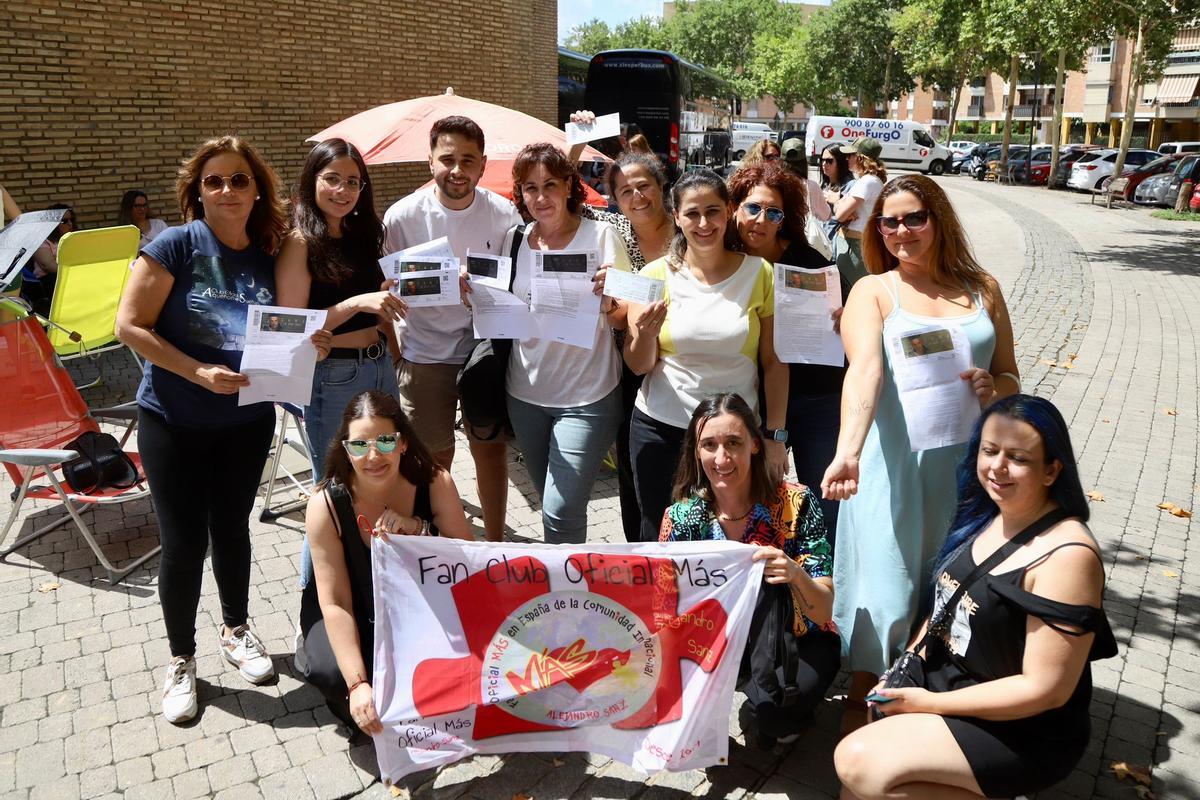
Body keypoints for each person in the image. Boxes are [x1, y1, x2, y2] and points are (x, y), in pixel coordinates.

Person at [115, 135, 330, 724]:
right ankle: (181, 659)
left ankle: (237, 630)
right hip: (173, 419)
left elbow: (285, 327)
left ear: (256, 188)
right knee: (184, 544)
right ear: (197, 192)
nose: (228, 190)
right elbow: (129, 326)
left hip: (245, 421)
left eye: (239, 179)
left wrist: (307, 343)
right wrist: (197, 371)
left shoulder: (269, 253)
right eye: (214, 181)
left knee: (233, 530)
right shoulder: (176, 245)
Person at [835, 394, 1116, 800]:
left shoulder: (1066, 558)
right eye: (989, 450)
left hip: (1022, 728)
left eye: (1018, 457)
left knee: (859, 763)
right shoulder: (988, 513)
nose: (997, 467)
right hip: (952, 690)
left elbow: (1046, 689)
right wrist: (905, 665)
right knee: (857, 789)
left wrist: (927, 704)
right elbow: (942, 609)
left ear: (1053, 470)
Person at [821, 174, 1020, 733]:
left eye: (914, 218)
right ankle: (862, 745)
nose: (900, 231)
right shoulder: (873, 292)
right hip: (890, 475)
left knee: (946, 606)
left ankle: (930, 726)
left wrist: (995, 390)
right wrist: (848, 453)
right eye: (888, 222)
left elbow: (1011, 375)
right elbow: (864, 372)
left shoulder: (983, 289)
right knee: (886, 606)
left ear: (938, 220)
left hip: (966, 476)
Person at [659, 393, 838, 747]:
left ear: (755, 445)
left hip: (798, 638)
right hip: (720, 640)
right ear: (696, 452)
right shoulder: (680, 518)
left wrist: (794, 573)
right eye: (709, 445)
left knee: (774, 719)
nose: (721, 458)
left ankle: (773, 706)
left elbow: (825, 608)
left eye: (733, 443)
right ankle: (738, 687)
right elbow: (664, 610)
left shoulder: (796, 503)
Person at [624, 169, 788, 542]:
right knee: (659, 538)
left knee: (734, 537)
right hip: (661, 429)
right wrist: (645, 336)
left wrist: (775, 435)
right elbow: (637, 364)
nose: (703, 223)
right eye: (692, 213)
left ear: (729, 211)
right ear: (676, 216)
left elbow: (775, 362)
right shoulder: (652, 274)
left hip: (732, 437)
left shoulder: (759, 273)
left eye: (712, 211)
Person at [297, 390, 472, 734]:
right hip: (353, 606)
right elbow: (336, 602)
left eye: (386, 442)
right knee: (338, 678)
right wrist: (358, 683)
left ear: (404, 443)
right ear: (345, 450)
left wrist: (419, 529)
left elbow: (467, 562)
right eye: (360, 445)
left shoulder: (435, 481)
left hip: (417, 605)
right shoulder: (325, 504)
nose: (374, 456)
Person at [384, 116, 522, 543]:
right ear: (430, 161)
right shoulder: (402, 215)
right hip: (424, 354)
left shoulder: (503, 214)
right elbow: (385, 287)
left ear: (483, 165)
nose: (457, 170)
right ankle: (442, 542)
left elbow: (517, 281)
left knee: (489, 451)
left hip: (484, 349)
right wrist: (396, 353)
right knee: (431, 458)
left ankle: (495, 545)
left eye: (468, 160)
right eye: (447, 159)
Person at [504, 142, 631, 544]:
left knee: (562, 510)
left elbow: (627, 313)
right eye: (530, 188)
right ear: (520, 194)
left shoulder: (600, 236)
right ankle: (561, 590)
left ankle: (568, 598)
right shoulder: (516, 240)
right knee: (549, 502)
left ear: (568, 187)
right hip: (524, 394)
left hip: (587, 395)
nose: (541, 197)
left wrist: (611, 300)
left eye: (550, 185)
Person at [277, 138, 406, 486]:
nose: (342, 190)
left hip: (379, 365)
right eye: (332, 178)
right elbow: (290, 326)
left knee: (380, 476)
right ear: (312, 180)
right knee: (336, 485)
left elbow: (375, 305)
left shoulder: (361, 234)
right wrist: (357, 302)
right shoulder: (300, 242)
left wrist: (394, 351)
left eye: (352, 182)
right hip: (334, 373)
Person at [728, 162, 845, 544]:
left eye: (773, 212)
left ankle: (825, 589)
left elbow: (853, 315)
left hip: (818, 398)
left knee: (826, 503)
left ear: (785, 218)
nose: (761, 219)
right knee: (753, 504)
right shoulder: (725, 259)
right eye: (752, 207)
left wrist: (846, 319)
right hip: (754, 399)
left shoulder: (810, 263)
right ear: (734, 208)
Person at [582, 149, 675, 542]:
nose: (636, 197)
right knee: (636, 472)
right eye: (625, 191)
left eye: (644, 186)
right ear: (614, 200)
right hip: (633, 365)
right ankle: (640, 554)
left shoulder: (692, 226)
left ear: (661, 187)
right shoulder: (613, 231)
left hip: (687, 363)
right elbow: (563, 194)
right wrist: (577, 142)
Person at [826, 137, 886, 285]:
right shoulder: (869, 180)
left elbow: (839, 215)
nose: (847, 159)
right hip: (854, 243)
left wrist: (837, 201)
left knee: (848, 290)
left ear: (859, 158)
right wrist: (841, 203)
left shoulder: (867, 182)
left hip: (855, 245)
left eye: (850, 155)